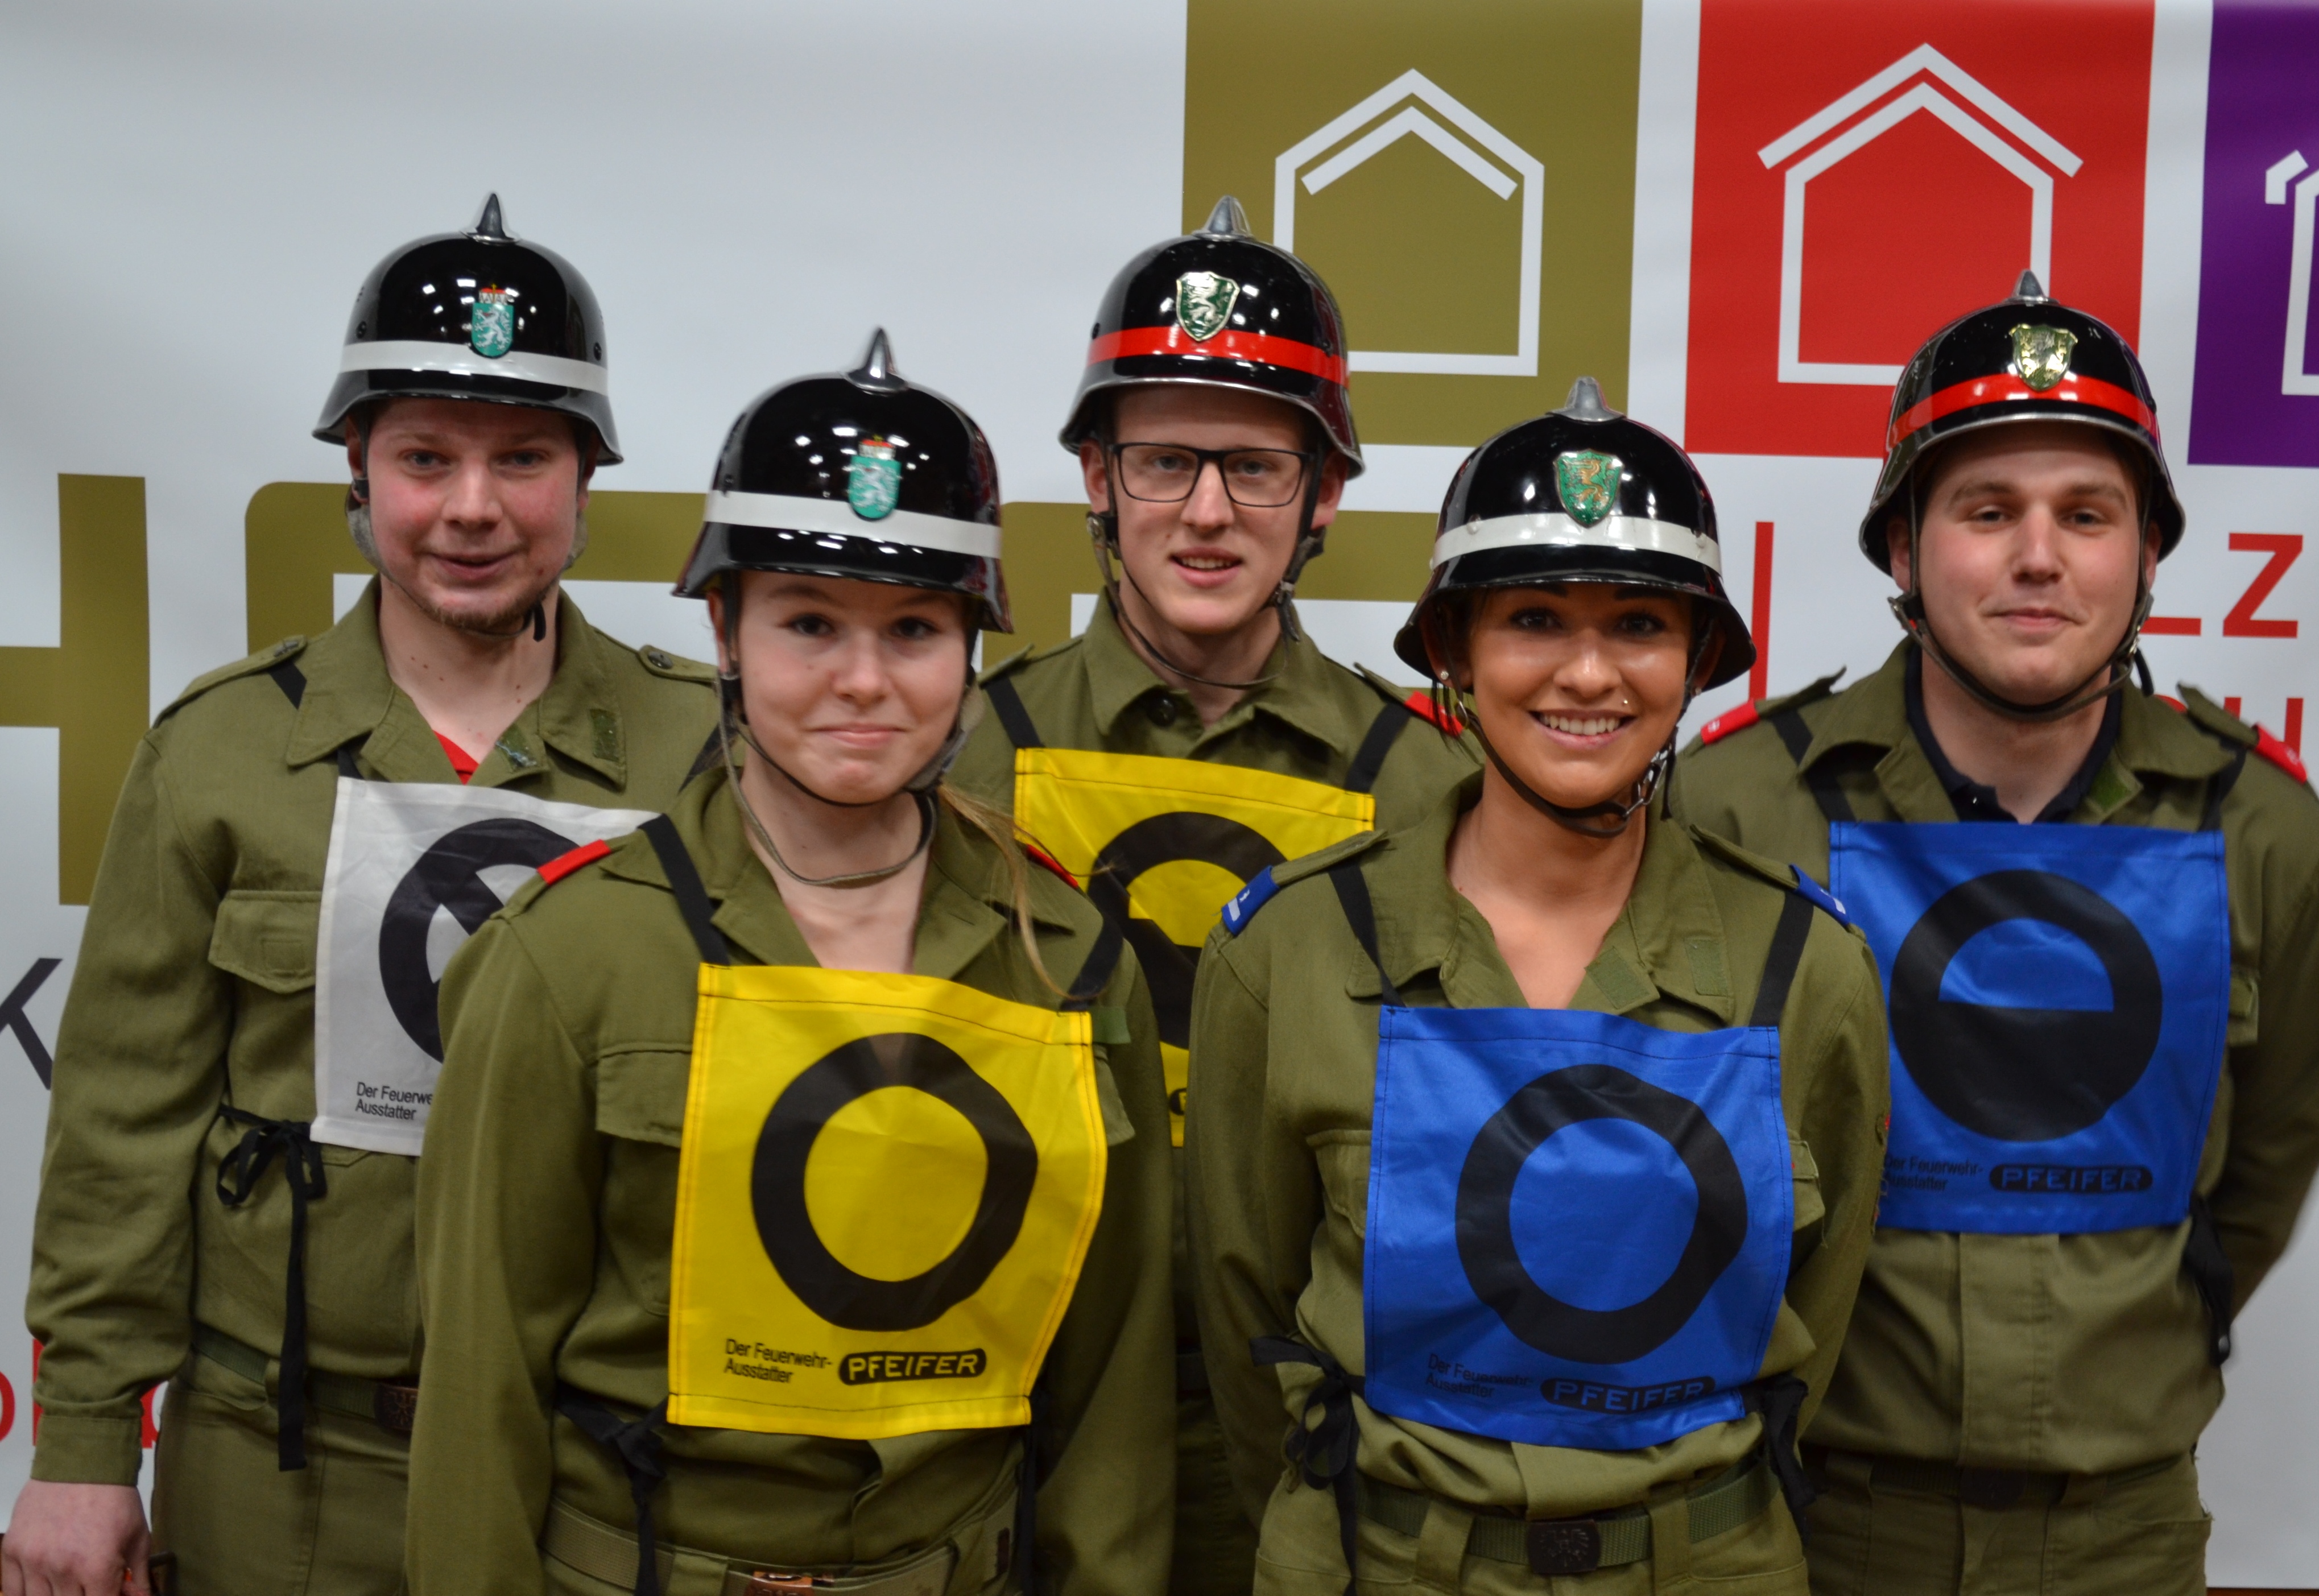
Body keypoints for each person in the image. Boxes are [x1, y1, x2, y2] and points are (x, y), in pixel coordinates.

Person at [6, 195, 718, 1596]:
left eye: (523, 456)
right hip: (278, 1462)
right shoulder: (218, 751)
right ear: (356, 467)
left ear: (587, 478)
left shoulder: (703, 757)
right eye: (424, 457)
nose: (472, 507)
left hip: (597, 1465)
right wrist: (83, 1445)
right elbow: (122, 1125)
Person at [406, 334, 1176, 1596]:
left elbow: (1111, 1387)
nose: (862, 680)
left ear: (970, 646)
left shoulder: (1069, 960)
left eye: (914, 627)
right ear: (724, 627)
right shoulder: (570, 952)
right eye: (808, 621)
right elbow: (480, 1380)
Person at [1671, 273, 2319, 1594]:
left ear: (2145, 555)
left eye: (2084, 514)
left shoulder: (2262, 832)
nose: (2036, 557)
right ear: (1901, 549)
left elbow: (2270, 1152)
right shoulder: (1737, 806)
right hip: (1803, 1520)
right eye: (1986, 511)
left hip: (2122, 1533)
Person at [1186, 380, 1890, 1595]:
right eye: (1532, 618)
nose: (1587, 672)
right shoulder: (1292, 945)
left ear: (1694, 661)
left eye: (1638, 623)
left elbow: (1812, 1321)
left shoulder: (1807, 962)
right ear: (1453, 650)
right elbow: (1246, 1317)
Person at [949, 197, 1475, 1594]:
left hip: (1316, 1411)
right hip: (1013, 1399)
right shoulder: (959, 754)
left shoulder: (1428, 787)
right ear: (1095, 476)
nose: (1204, 511)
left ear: (1324, 495)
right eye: (1163, 459)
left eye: (1253, 466)